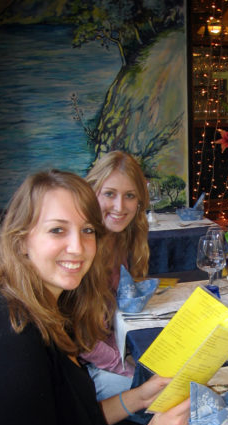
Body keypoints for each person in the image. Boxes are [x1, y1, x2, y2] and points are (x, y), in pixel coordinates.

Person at [0, 170, 223, 425]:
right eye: (57, 230)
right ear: (21, 241)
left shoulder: (45, 305)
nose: (78, 247)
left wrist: (139, 396)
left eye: (87, 230)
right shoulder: (15, 340)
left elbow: (70, 422)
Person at [81, 151, 151, 400]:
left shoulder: (123, 239)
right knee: (169, 393)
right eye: (109, 194)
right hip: (83, 370)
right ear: (92, 192)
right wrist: (127, 367)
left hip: (112, 349)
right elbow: (83, 341)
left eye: (129, 196)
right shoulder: (81, 247)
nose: (120, 207)